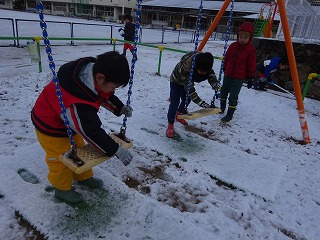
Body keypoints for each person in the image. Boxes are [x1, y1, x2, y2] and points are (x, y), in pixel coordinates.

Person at [31, 51, 133, 204]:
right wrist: (115, 149)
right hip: (51, 127)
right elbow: (90, 131)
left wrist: (119, 108)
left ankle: (83, 177)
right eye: (114, 86)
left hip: (71, 125)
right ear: (100, 78)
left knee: (79, 149)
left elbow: (103, 95)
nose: (113, 91)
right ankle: (62, 189)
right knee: (60, 158)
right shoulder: (76, 99)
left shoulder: (92, 76)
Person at [166, 51, 220, 138]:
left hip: (187, 82)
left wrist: (215, 84)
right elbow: (191, 92)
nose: (203, 74)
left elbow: (211, 75)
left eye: (205, 72)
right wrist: (204, 105)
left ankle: (178, 115)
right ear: (195, 67)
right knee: (174, 103)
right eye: (201, 72)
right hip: (176, 81)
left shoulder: (204, 63)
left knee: (186, 100)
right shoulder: (186, 69)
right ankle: (170, 125)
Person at [220, 22, 256, 123]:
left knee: (233, 95)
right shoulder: (233, 46)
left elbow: (251, 64)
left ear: (250, 38)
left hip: (239, 77)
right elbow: (227, 57)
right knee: (223, 92)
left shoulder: (250, 50)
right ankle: (222, 108)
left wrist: (250, 77)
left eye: (245, 37)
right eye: (240, 36)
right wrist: (225, 67)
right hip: (228, 74)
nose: (242, 39)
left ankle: (230, 114)